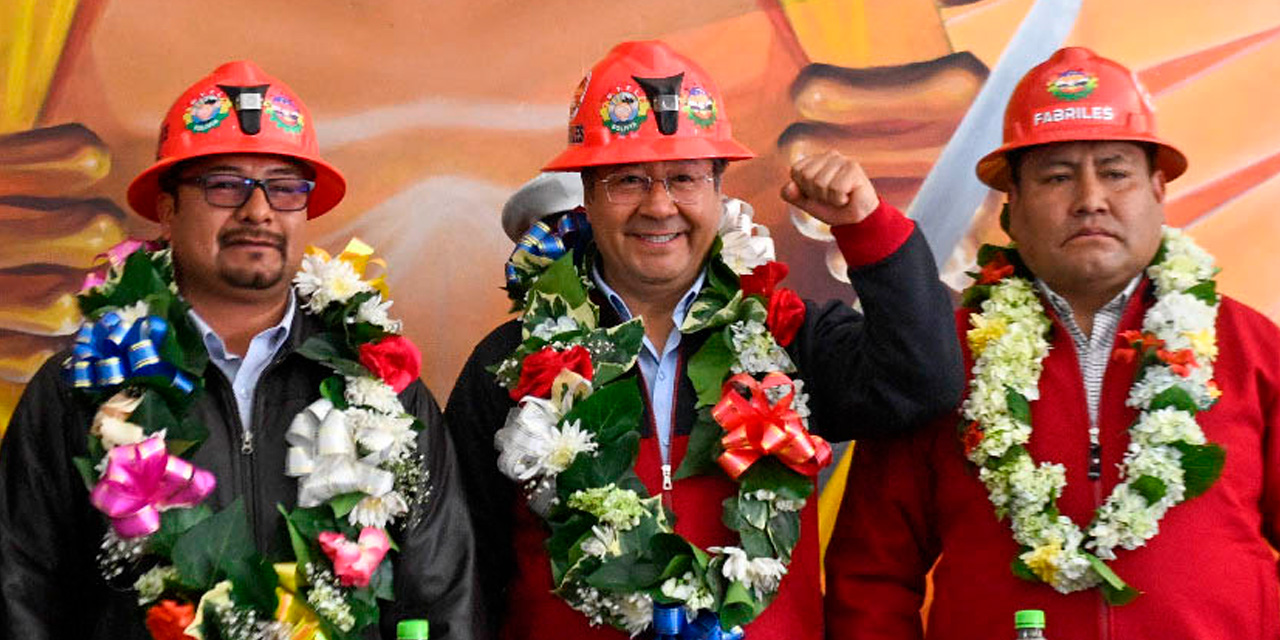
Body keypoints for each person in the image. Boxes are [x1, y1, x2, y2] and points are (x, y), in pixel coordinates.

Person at [445, 40, 962, 640]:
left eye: (685, 178)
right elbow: (467, 571)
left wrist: (866, 226)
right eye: (629, 180)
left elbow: (922, 382)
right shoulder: (512, 363)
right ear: (587, 196)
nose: (659, 206)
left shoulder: (786, 338)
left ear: (720, 191)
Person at [0, 61, 486, 639]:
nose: (258, 212)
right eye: (225, 184)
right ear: (167, 207)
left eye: (284, 188)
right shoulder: (79, 388)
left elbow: (442, 600)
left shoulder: (383, 390)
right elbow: (21, 595)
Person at [824, 46, 1280, 639]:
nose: (1090, 198)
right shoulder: (942, 357)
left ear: (1158, 188)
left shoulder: (1247, 347)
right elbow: (872, 578)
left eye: (1115, 171)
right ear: (1010, 200)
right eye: (1058, 176)